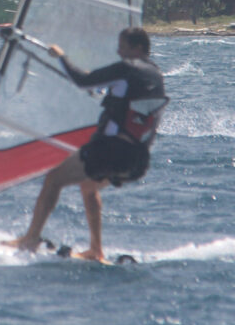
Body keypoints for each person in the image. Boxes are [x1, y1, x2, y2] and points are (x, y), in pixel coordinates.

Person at [9, 26, 168, 261]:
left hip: (111, 150)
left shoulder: (127, 68)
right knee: (89, 186)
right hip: (138, 159)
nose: (118, 51)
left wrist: (61, 56)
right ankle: (96, 250)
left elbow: (83, 80)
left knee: (54, 179)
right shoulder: (156, 74)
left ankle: (30, 238)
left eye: (122, 46)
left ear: (138, 48)